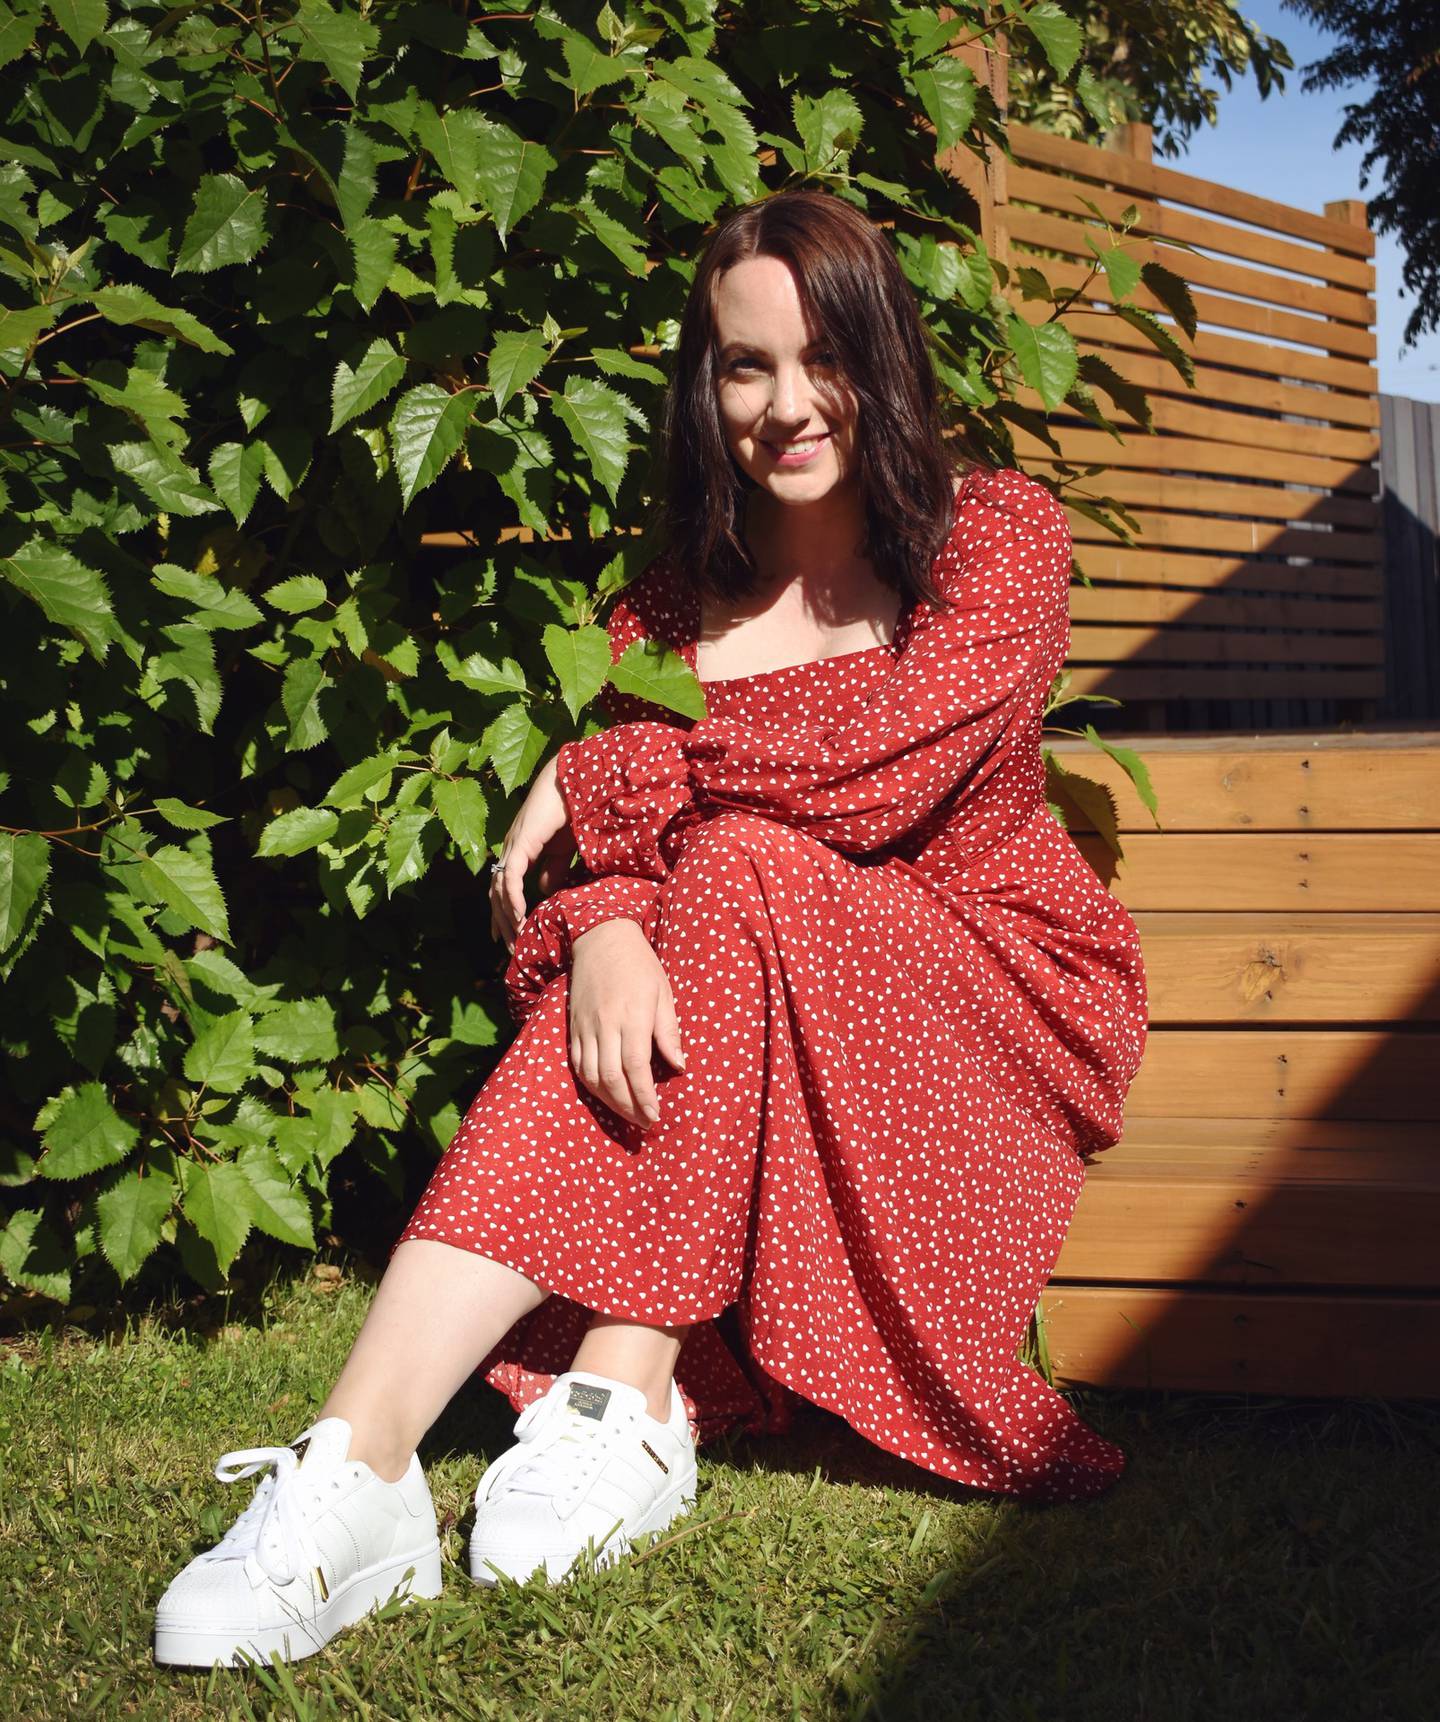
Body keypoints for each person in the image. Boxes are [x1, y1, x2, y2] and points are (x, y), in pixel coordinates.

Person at [153, 187, 1149, 1670]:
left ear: (887, 357)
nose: (790, 403)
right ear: (706, 383)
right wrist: (611, 918)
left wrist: (597, 771)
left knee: (745, 858)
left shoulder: (996, 540)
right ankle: (359, 1467)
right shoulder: (662, 613)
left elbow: (869, 779)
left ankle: (627, 1373)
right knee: (724, 877)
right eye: (747, 365)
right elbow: (637, 849)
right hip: (748, 984)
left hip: (985, 1008)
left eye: (828, 357)